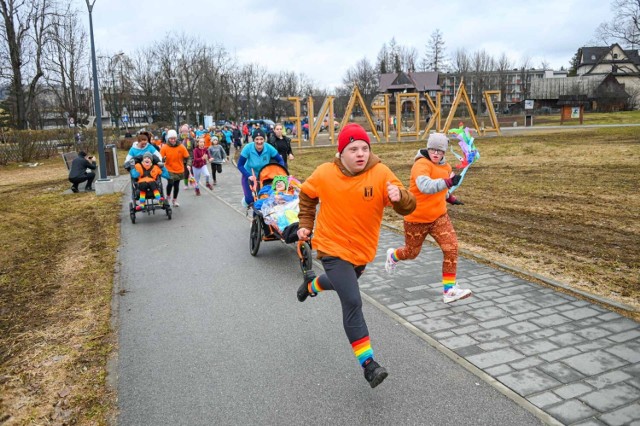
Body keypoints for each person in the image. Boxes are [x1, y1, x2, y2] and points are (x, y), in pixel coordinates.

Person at [295, 123, 416, 388]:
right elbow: (306, 194)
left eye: (364, 148)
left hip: (362, 251)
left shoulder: (380, 173)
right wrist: (306, 223)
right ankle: (369, 365)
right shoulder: (325, 173)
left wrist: (400, 196)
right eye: (353, 149)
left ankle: (311, 285)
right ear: (341, 153)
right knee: (352, 300)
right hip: (331, 246)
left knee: (341, 284)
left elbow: (409, 206)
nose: (360, 154)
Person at [384, 133, 472, 304]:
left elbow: (442, 188)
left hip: (439, 216)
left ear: (444, 152)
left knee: (451, 248)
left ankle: (449, 290)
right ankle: (393, 256)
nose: (435, 153)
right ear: (428, 148)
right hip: (416, 218)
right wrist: (448, 182)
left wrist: (450, 198)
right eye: (432, 149)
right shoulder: (421, 165)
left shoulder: (446, 166)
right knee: (411, 253)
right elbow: (426, 186)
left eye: (439, 151)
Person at [237, 128, 285, 207]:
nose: (259, 142)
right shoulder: (248, 148)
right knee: (250, 200)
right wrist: (248, 175)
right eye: (257, 139)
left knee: (261, 199)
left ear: (264, 139)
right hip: (249, 176)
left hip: (263, 177)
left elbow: (281, 161)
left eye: (261, 139)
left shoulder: (268, 148)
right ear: (253, 140)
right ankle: (246, 199)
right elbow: (240, 165)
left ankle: (257, 218)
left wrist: (278, 173)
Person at [160, 129, 190, 207]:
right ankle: (168, 196)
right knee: (170, 182)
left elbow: (188, 157)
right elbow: (160, 158)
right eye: (171, 138)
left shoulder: (181, 146)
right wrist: (162, 160)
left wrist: (188, 164)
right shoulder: (164, 147)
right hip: (169, 169)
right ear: (168, 139)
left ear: (176, 138)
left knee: (176, 185)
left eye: (174, 138)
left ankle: (174, 200)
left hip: (179, 169)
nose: (173, 140)